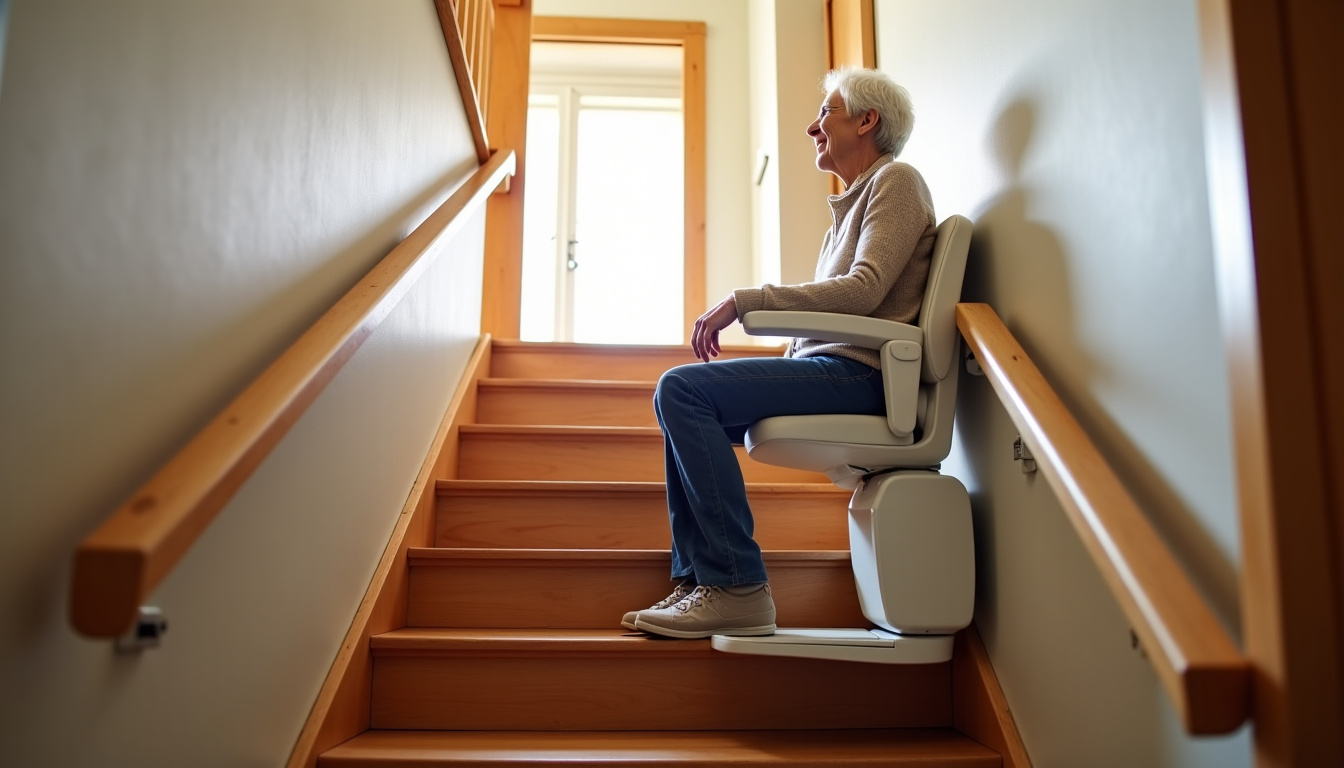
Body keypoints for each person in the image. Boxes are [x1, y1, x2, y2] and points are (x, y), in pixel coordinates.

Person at [622, 67, 938, 639]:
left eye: (826, 113)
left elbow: (863, 291)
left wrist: (747, 301)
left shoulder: (897, 181)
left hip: (861, 376)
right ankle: (701, 582)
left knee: (683, 390)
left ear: (867, 121)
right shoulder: (847, 210)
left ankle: (737, 585)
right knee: (681, 403)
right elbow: (837, 312)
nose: (812, 127)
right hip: (832, 370)